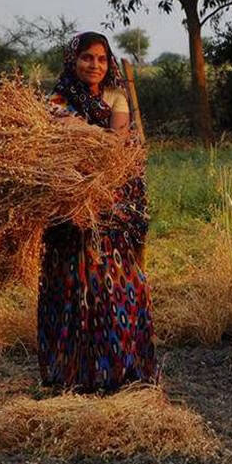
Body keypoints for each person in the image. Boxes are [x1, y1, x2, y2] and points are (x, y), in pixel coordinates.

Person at [37, 31, 158, 392]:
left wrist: (86, 135)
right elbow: (61, 138)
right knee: (75, 288)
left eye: (102, 59)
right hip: (70, 212)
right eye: (87, 57)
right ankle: (74, 376)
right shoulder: (56, 99)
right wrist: (91, 137)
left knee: (122, 286)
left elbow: (117, 143)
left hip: (111, 207)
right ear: (73, 60)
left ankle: (122, 371)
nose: (95, 65)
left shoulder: (116, 96)